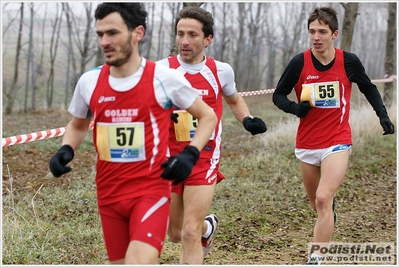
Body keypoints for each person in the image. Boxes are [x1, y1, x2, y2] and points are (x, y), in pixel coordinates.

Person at [48, 3, 217, 265]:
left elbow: (208, 116)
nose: (105, 41)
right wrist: (65, 149)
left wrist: (190, 153)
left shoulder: (164, 78)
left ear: (137, 33)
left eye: (113, 33)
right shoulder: (89, 81)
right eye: (100, 34)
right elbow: (78, 125)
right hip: (108, 193)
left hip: (150, 190)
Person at [272, 6, 395, 265]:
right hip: (307, 143)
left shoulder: (348, 61)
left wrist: (382, 115)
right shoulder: (299, 62)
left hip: (337, 140)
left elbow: (369, 88)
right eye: (312, 32)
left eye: (322, 32)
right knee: (318, 206)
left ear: (334, 34)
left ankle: (316, 257)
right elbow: (278, 95)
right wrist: (295, 108)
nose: (316, 37)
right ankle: (328, 213)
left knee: (323, 197)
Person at [156, 6, 267, 264]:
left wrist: (247, 119)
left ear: (208, 39)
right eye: (180, 34)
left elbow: (234, 100)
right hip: (170, 159)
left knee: (189, 232)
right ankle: (209, 228)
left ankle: (199, 231)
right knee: (174, 233)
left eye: (192, 35)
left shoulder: (220, 71)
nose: (185, 41)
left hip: (204, 159)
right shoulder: (161, 70)